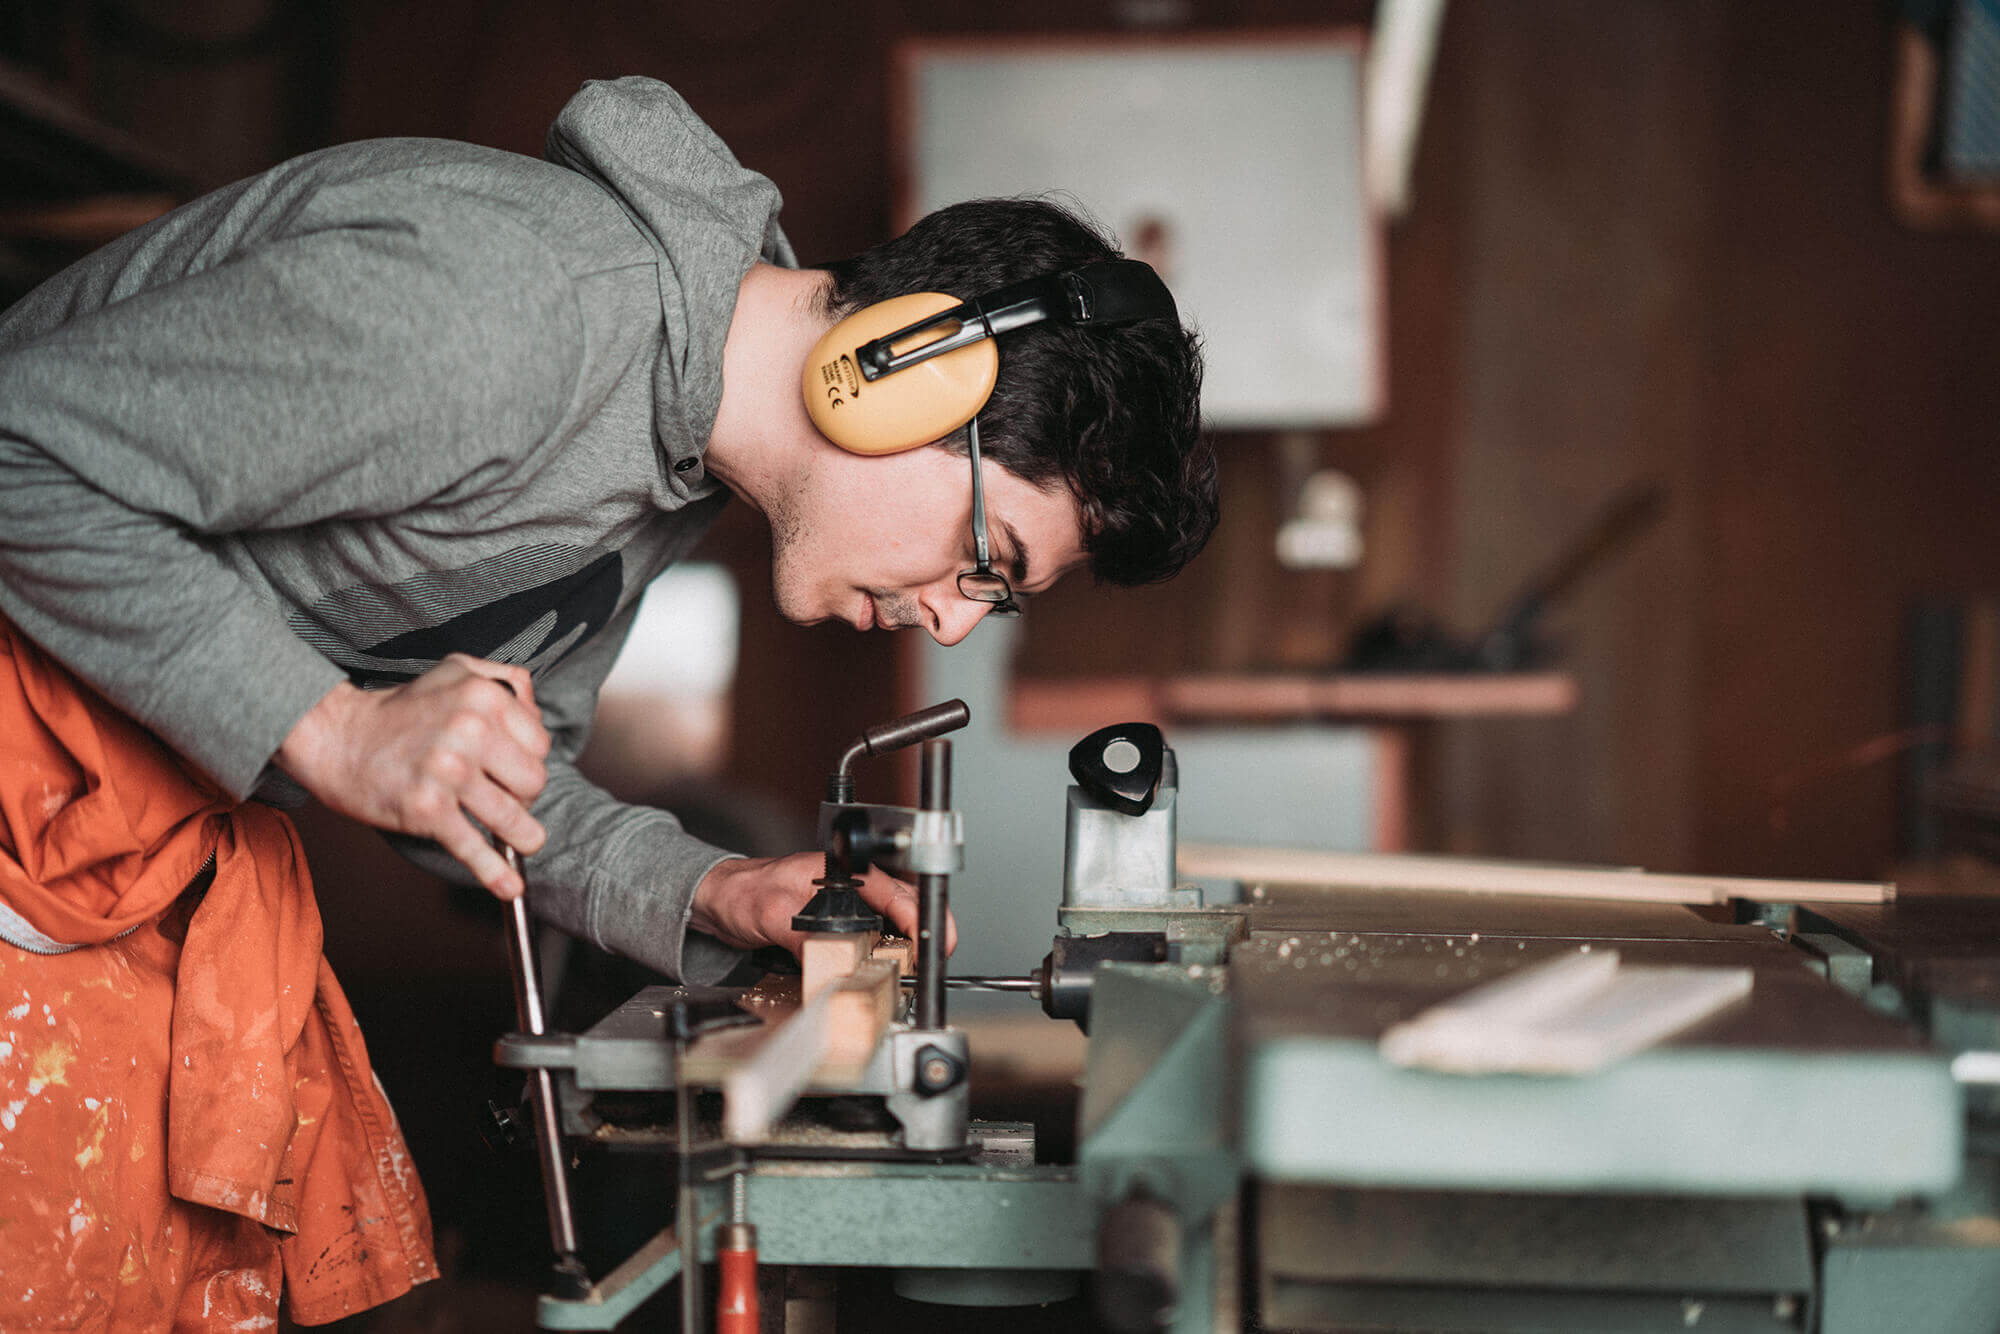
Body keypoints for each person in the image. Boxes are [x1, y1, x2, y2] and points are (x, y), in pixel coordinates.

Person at [0, 76, 1214, 1326]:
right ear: (907, 367)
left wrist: (707, 888)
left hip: (98, 861)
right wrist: (330, 725)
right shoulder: (511, 308)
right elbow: (19, 452)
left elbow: (485, 791)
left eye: (994, 597)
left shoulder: (668, 473)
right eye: (986, 554)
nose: (954, 616)